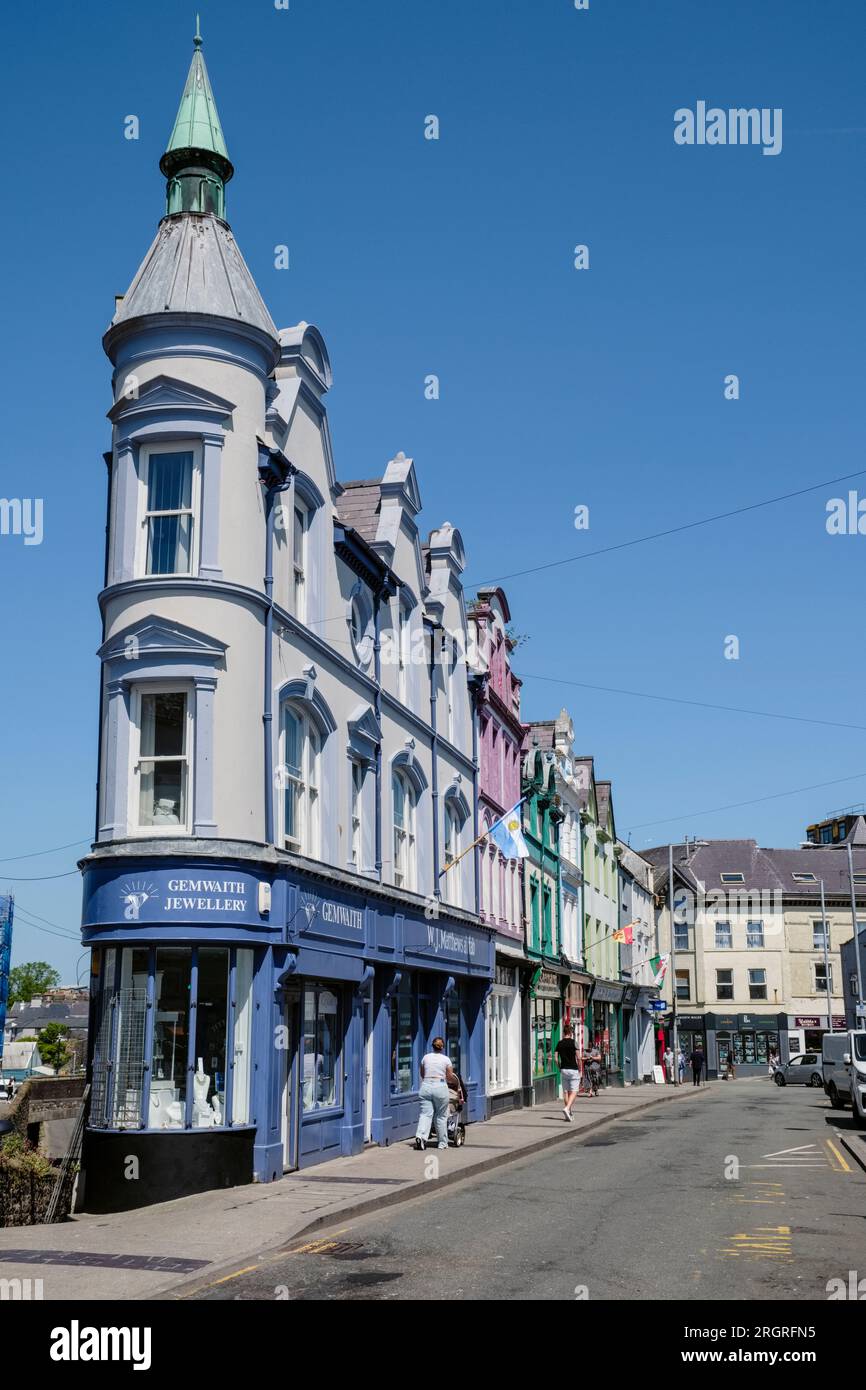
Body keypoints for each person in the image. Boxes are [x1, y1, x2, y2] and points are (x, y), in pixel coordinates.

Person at [414, 1037, 458, 1151]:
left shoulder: (425, 1057)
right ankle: (442, 1143)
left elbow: (422, 1074)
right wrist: (454, 1082)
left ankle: (421, 1137)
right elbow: (449, 1076)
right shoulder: (446, 1059)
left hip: (426, 1086)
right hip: (440, 1086)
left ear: (432, 1046)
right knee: (441, 1116)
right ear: (442, 1047)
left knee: (425, 1114)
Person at [556, 1023, 581, 1121]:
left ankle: (569, 1113)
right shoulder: (574, 1042)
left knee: (566, 1091)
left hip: (563, 1070)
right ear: (570, 1032)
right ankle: (567, 1108)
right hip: (573, 1069)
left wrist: (559, 1068)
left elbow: (555, 1059)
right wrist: (580, 1069)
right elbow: (578, 1057)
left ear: (563, 1032)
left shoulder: (559, 1043)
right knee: (574, 1091)